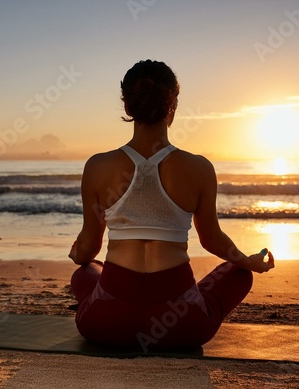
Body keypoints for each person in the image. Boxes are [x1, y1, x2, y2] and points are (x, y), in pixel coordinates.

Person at [69, 59, 274, 352]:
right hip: (182, 325)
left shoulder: (97, 166)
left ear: (127, 106)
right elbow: (212, 240)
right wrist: (248, 261)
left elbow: (88, 247)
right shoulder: (199, 168)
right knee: (238, 273)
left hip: (108, 324)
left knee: (85, 273)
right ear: (172, 106)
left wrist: (80, 255)